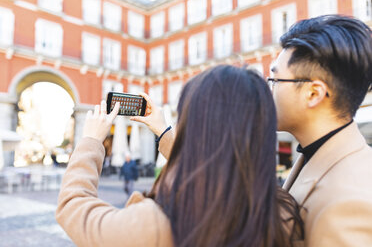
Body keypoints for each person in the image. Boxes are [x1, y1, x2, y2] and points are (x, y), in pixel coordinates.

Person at [133, 15, 372, 246]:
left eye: (274, 80)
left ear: (314, 94)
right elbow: (225, 183)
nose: (265, 90)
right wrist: (163, 131)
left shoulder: (351, 202)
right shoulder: (319, 154)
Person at [56, 66, 303, 247]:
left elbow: (73, 206)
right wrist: (163, 131)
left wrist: (91, 142)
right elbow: (215, 165)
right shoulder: (281, 212)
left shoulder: (157, 225)